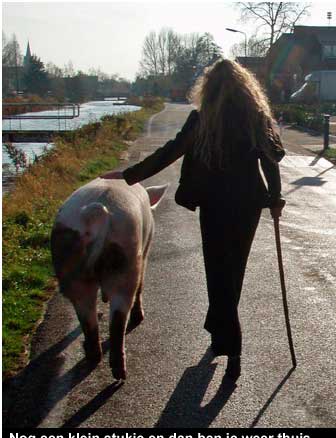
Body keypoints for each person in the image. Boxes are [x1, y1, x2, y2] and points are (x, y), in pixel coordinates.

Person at [101, 59, 285, 382]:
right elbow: (271, 161)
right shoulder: (256, 118)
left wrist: (129, 175)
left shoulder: (203, 120)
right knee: (233, 275)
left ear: (209, 89)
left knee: (218, 275)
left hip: (215, 204)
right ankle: (221, 336)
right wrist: (275, 197)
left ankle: (233, 346)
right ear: (246, 88)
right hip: (248, 206)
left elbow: (170, 152)